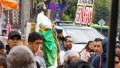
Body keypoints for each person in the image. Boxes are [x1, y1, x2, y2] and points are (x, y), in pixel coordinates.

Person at [35, 2, 58, 67]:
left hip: (49, 35)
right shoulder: (40, 15)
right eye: (44, 6)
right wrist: (50, 25)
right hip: (46, 36)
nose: (45, 7)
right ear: (41, 7)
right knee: (48, 52)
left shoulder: (44, 16)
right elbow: (42, 24)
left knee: (53, 50)